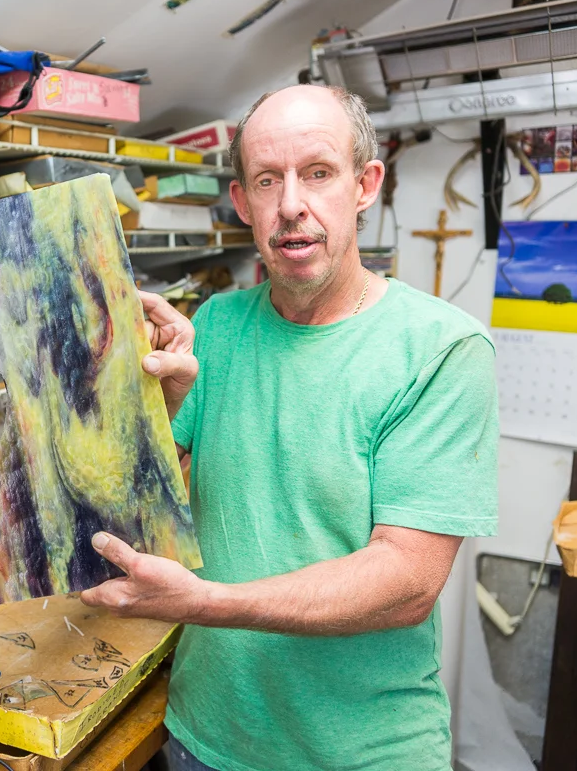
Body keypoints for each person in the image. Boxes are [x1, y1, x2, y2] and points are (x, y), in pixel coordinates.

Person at [80, 85, 499, 771]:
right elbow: (140, 514)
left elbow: (406, 581)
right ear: (243, 203)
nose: (292, 205)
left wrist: (207, 603)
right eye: (268, 181)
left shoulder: (442, 350)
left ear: (364, 185)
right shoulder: (214, 324)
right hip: (202, 735)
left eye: (318, 173)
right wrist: (165, 409)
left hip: (360, 755)